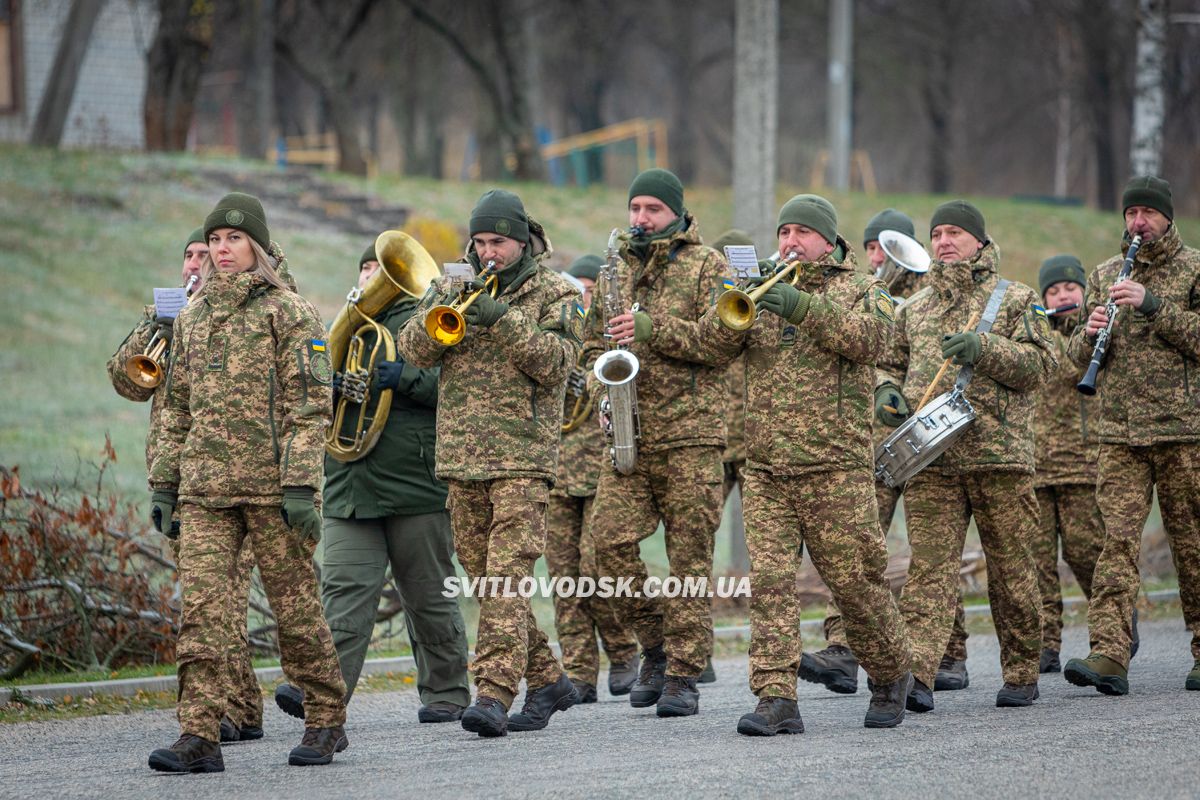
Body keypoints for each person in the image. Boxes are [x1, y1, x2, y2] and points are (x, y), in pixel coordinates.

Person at [695, 194, 913, 734]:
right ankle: (776, 696)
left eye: (801, 232)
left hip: (835, 468)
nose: (789, 241)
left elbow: (876, 341)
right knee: (769, 582)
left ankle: (891, 674)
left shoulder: (864, 289)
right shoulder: (762, 290)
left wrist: (801, 306)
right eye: (783, 232)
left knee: (856, 583)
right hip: (767, 468)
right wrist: (734, 308)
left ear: (828, 240)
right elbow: (709, 347)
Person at [147, 192, 348, 772]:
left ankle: (326, 719)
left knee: (295, 609)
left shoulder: (290, 312)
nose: (222, 249)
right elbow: (175, 407)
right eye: (214, 240)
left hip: (273, 490)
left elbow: (311, 408)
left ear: (256, 245)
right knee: (204, 612)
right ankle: (199, 734)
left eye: (234, 239)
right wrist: (165, 483)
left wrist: (300, 486)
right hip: (205, 489)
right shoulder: (193, 315)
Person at [396, 189, 581, 737]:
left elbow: (557, 364)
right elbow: (411, 350)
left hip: (523, 457)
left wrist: (501, 318)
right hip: (462, 458)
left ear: (522, 242)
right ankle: (548, 679)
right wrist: (440, 311)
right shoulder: (454, 283)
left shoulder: (556, 292)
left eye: (497, 242)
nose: (487, 253)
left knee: (507, 578)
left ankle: (494, 693)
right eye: (479, 242)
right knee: (486, 581)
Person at [273, 242, 471, 724]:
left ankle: (446, 691)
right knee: (342, 596)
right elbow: (302, 391)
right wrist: (332, 385)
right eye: (364, 268)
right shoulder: (342, 327)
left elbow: (462, 394)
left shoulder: (432, 322)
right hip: (351, 486)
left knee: (428, 596)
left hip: (416, 486)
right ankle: (321, 696)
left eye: (376, 268)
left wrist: (404, 378)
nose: (369, 276)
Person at [879, 200, 1055, 712]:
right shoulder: (913, 307)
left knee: (1012, 568)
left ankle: (1022, 671)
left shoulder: (1018, 299)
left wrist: (987, 350)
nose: (943, 242)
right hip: (932, 460)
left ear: (979, 241)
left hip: (999, 459)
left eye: (954, 232)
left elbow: (1044, 367)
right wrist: (885, 392)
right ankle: (920, 675)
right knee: (929, 572)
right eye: (936, 234)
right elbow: (888, 363)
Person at [804, 208, 972, 695]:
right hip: (865, 447)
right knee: (855, 551)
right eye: (871, 247)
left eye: (885, 247)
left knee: (930, 554)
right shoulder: (852, 293)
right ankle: (842, 648)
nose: (876, 256)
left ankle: (949, 653)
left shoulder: (927, 302)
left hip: (917, 446)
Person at [107, 228, 264, 744]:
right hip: (176, 476)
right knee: (208, 600)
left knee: (220, 599)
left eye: (205, 254)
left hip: (227, 476)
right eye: (189, 255)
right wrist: (157, 324)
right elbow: (128, 381)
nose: (195, 263)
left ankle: (235, 709)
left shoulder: (236, 314)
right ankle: (238, 707)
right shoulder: (174, 315)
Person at [584, 169, 729, 717]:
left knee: (689, 560)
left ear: (676, 212)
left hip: (691, 437)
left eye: (652, 209)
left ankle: (685, 675)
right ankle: (656, 646)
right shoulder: (616, 265)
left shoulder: (707, 265)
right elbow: (593, 344)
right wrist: (603, 389)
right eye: (634, 208)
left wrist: (654, 329)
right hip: (629, 434)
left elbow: (722, 342)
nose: (640, 219)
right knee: (608, 544)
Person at [1064, 176, 1200, 695]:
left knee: (1192, 545)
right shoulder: (1103, 274)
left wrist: (1154, 306)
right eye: (1130, 213)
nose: (1137, 223)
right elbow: (1074, 354)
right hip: (1119, 434)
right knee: (1115, 543)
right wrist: (1090, 331)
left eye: (1146, 213)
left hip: (1182, 431)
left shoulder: (1193, 268)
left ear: (1167, 217)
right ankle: (1110, 653)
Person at [547, 254, 640, 703]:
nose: (583, 296)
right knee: (564, 578)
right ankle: (580, 671)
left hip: (600, 473)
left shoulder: (609, 342)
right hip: (556, 475)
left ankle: (623, 652)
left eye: (590, 288)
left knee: (595, 571)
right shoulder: (558, 331)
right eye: (577, 288)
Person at [1030, 255, 1105, 674]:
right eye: (1053, 291)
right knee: (1037, 564)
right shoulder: (1036, 332)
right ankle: (1045, 644)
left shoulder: (1093, 334)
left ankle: (1112, 630)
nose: (1062, 296)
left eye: (1069, 289)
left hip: (1083, 465)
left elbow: (1069, 364)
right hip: (1037, 469)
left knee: (1087, 554)